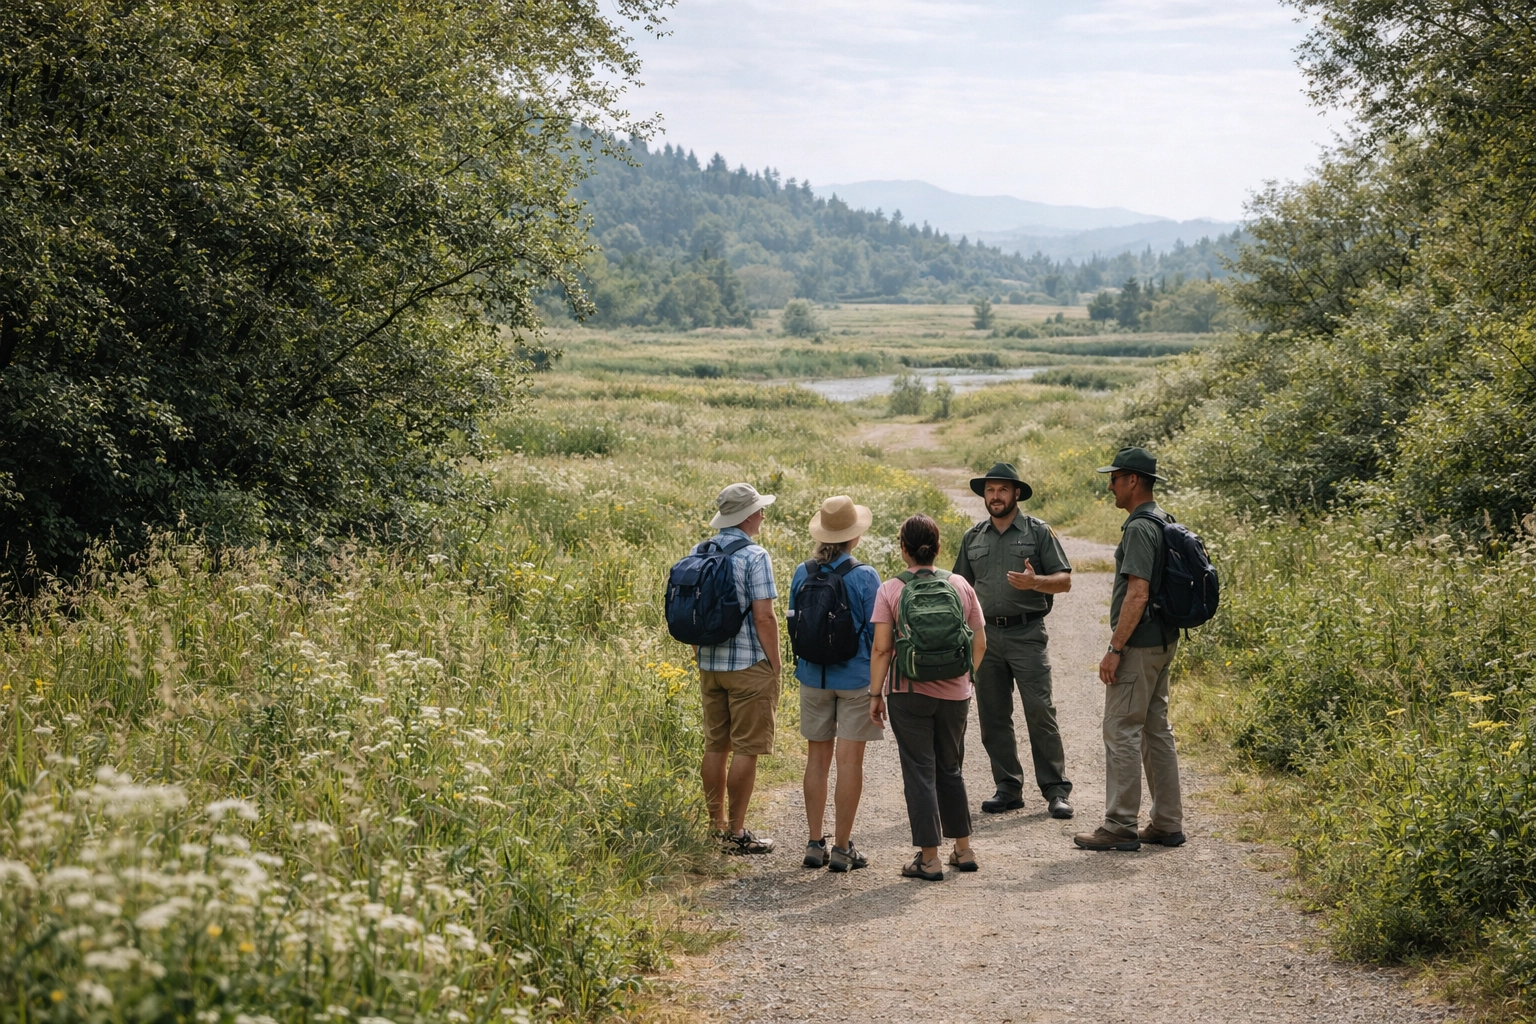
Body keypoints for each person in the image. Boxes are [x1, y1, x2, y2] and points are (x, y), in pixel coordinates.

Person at [1075, 447, 1187, 852]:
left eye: (1115, 478)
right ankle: (1167, 823)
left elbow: (1137, 594)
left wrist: (1115, 648)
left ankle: (1120, 824)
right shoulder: (1163, 519)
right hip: (1163, 641)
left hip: (1139, 645)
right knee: (1156, 730)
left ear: (1133, 481)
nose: (1111, 486)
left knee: (1121, 730)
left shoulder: (1140, 527)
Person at [952, 462, 1075, 818]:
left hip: (1027, 634)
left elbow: (1065, 580)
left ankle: (1055, 789)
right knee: (993, 715)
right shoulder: (973, 537)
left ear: (1016, 493)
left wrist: (1036, 583)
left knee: (1040, 711)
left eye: (1002, 490)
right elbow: (960, 587)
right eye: (990, 490)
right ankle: (1007, 787)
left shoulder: (1038, 532)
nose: (995, 496)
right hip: (985, 636)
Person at [869, 514, 988, 881]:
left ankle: (929, 858)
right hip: (955, 693)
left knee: (920, 772)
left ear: (903, 549)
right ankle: (963, 850)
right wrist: (965, 680)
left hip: (908, 692)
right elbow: (980, 642)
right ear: (938, 547)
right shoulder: (960, 584)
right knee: (951, 767)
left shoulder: (891, 589)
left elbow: (882, 649)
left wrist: (875, 694)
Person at [788, 496, 883, 872]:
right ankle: (842, 848)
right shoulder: (865, 575)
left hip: (813, 676)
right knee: (849, 762)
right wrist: (879, 685)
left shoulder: (802, 571)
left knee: (817, 759)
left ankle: (815, 843)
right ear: (853, 536)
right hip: (856, 679)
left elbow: (794, 621)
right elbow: (878, 634)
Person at [694, 482, 781, 855]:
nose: (762, 515)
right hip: (748, 665)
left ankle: (715, 827)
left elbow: (694, 612)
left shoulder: (700, 551)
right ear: (747, 516)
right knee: (746, 748)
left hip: (709, 664)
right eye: (759, 510)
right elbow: (764, 617)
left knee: (716, 745)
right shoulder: (755, 555)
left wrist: (700, 653)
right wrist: (775, 663)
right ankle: (737, 832)